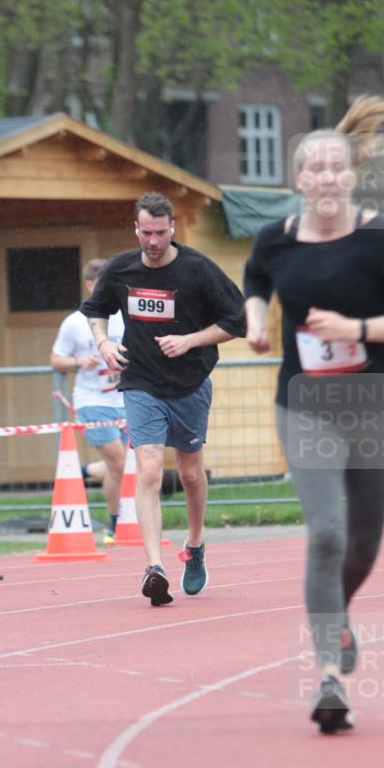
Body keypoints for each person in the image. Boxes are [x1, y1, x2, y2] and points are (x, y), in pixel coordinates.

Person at [243, 95, 384, 733]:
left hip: (376, 402)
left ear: (351, 175)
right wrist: (254, 323)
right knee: (326, 533)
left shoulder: (379, 238)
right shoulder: (276, 238)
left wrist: (355, 325)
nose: (325, 178)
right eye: (314, 169)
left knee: (364, 543)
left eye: (335, 168)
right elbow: (256, 277)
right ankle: (328, 673)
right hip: (306, 404)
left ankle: (338, 617)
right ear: (297, 180)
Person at [81, 191, 246, 606]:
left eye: (160, 232)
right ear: (136, 229)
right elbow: (95, 309)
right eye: (145, 232)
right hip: (140, 382)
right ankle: (154, 567)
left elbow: (237, 321)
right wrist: (102, 342)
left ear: (172, 229)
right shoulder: (121, 268)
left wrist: (190, 340)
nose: (152, 241)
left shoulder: (197, 270)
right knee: (150, 467)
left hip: (190, 383)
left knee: (189, 474)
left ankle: (195, 545)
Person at [50, 258, 127, 543]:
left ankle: (83, 473)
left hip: (125, 397)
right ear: (90, 285)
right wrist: (80, 360)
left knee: (128, 463)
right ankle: (115, 525)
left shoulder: (124, 315)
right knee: (119, 462)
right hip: (91, 400)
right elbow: (55, 359)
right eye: (102, 283)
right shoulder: (74, 322)